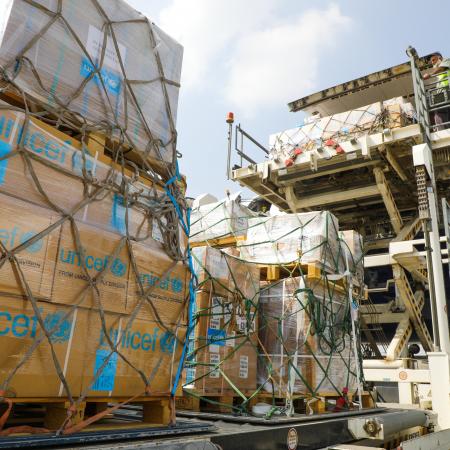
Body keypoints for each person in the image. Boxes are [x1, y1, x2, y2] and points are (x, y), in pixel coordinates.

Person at [423, 53, 450, 130]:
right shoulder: (439, 74)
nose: (432, 62)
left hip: (448, 90)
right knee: (440, 110)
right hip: (443, 92)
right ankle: (444, 128)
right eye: (431, 61)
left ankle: (442, 129)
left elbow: (441, 68)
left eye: (433, 60)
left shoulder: (446, 60)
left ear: (439, 57)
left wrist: (430, 74)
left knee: (439, 110)